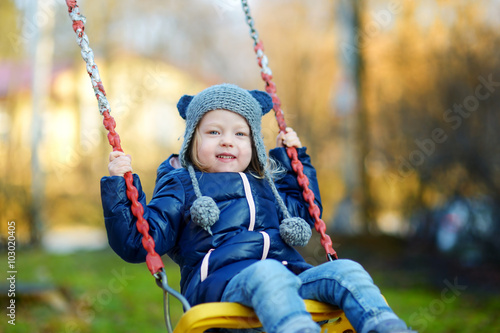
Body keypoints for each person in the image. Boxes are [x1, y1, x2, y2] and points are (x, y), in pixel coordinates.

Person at [100, 84, 416, 333]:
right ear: (190, 142)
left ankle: (386, 327)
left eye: (240, 134)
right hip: (220, 288)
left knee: (347, 270)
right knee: (267, 272)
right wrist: (120, 185)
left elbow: (305, 212)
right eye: (213, 132)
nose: (227, 141)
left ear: (254, 146)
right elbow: (139, 241)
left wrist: (295, 161)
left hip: (290, 278)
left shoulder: (268, 186)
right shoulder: (181, 185)